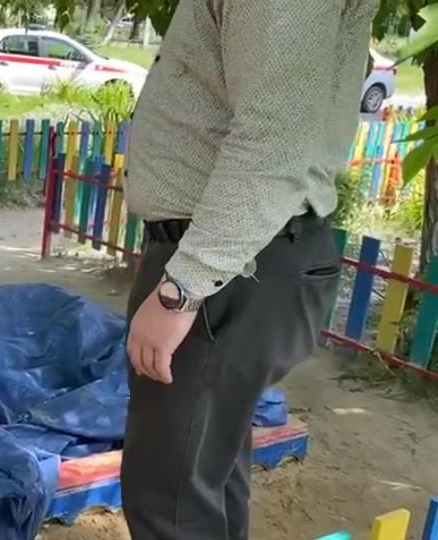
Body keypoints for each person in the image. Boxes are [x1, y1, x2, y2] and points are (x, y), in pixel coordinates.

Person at [120, 2, 377, 539]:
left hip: (231, 262)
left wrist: (182, 287)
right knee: (201, 473)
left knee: (171, 499)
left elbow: (274, 141)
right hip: (229, 255)